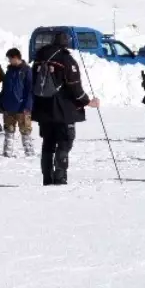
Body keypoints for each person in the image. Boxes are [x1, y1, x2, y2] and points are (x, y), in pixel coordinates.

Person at [31, 31, 100, 185]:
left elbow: (32, 83)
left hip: (43, 108)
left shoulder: (38, 59)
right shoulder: (66, 59)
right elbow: (74, 86)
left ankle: (47, 178)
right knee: (65, 141)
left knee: (48, 142)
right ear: (66, 43)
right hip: (63, 109)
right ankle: (60, 176)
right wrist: (87, 101)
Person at [0, 48, 34, 158]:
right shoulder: (9, 70)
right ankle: (7, 153)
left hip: (22, 107)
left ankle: (29, 154)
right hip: (9, 107)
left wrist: (27, 105)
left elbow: (30, 90)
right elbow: (4, 88)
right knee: (9, 130)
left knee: (25, 131)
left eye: (10, 58)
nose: (9, 61)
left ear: (15, 57)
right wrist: (1, 102)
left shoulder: (26, 70)